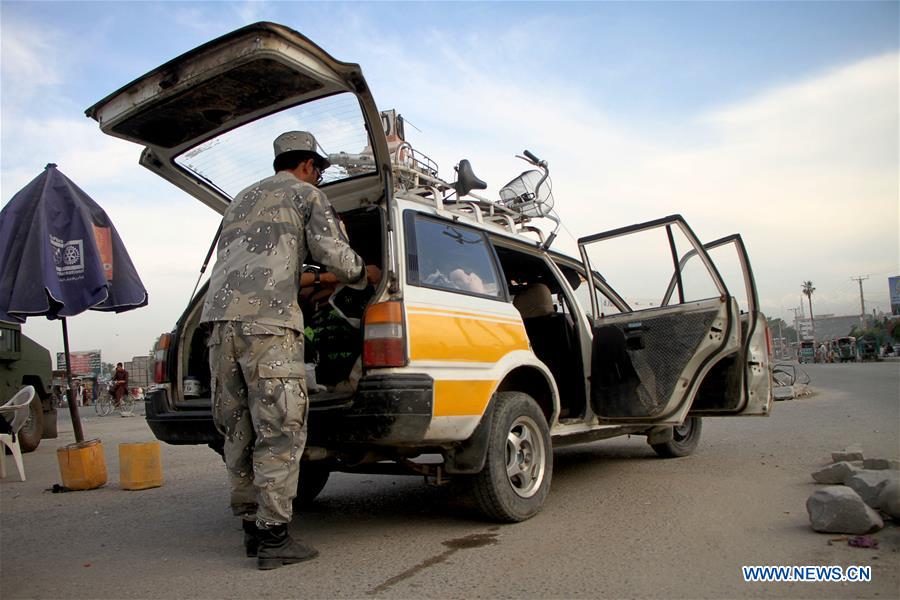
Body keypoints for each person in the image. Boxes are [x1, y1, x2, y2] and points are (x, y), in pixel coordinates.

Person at [200, 131, 380, 570]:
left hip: (219, 327)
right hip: (268, 325)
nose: (318, 177)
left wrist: (315, 283)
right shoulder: (306, 195)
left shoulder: (241, 199)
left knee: (238, 428)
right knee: (280, 428)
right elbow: (332, 253)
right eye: (318, 170)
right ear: (306, 166)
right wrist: (365, 274)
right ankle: (275, 539)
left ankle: (251, 528)